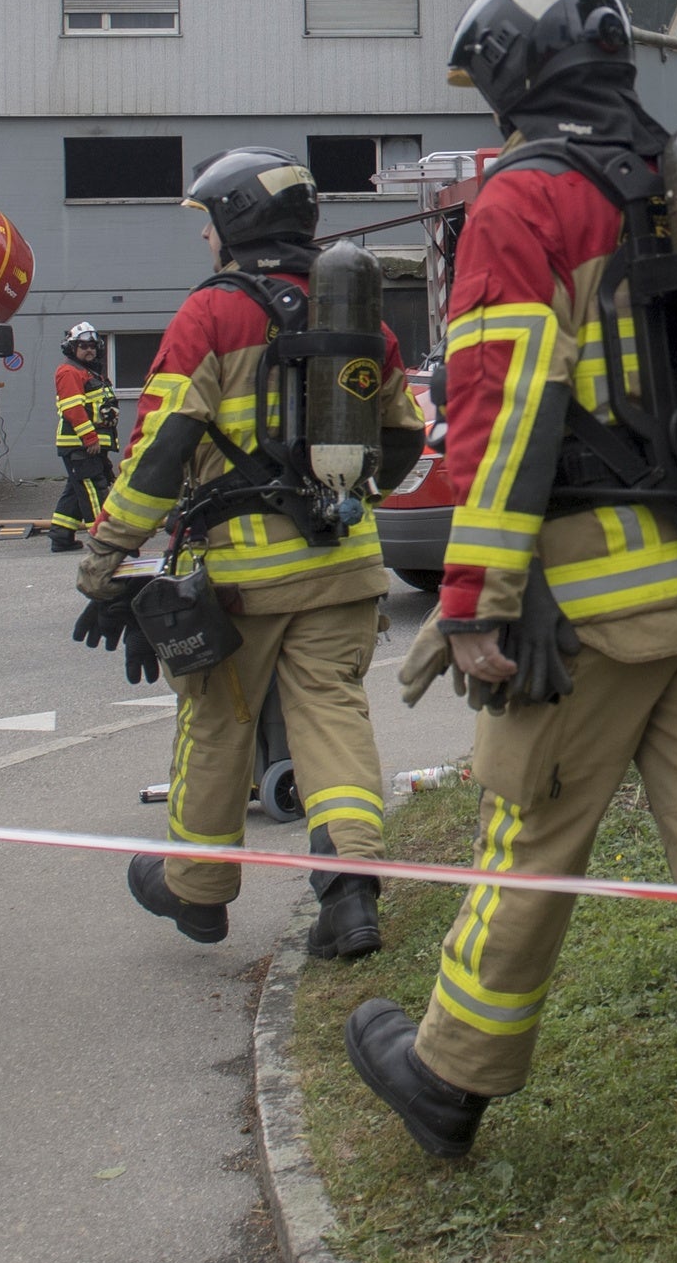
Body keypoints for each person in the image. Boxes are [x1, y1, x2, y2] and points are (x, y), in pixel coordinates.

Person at [344, 0, 677, 1204]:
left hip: (593, 607)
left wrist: (475, 603)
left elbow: (501, 410)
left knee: (529, 838)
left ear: (513, 77)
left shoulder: (527, 201)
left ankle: (446, 1081)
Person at [69, 150, 427, 959]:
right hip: (343, 563)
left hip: (241, 576)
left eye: (208, 224)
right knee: (333, 719)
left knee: (218, 721)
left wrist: (108, 553)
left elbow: (162, 445)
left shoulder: (213, 313)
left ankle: (197, 889)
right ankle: (350, 895)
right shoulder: (359, 315)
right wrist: (358, 491)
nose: (205, 241)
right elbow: (405, 432)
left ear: (234, 224)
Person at [47, 321, 120, 552]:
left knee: (75, 491)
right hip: (81, 446)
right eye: (83, 345)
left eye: (92, 345)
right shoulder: (69, 371)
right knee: (94, 490)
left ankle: (61, 537)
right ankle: (105, 540)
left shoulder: (88, 372)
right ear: (72, 347)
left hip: (89, 446)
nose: (89, 350)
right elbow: (73, 410)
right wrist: (90, 439)